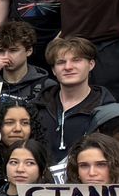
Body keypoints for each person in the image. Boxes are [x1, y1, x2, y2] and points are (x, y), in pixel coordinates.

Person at [30, 37, 109, 180]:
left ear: (91, 64)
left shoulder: (107, 110)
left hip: (89, 188)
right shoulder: (36, 107)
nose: (68, 67)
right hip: (41, 189)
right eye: (61, 62)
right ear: (53, 70)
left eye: (76, 60)